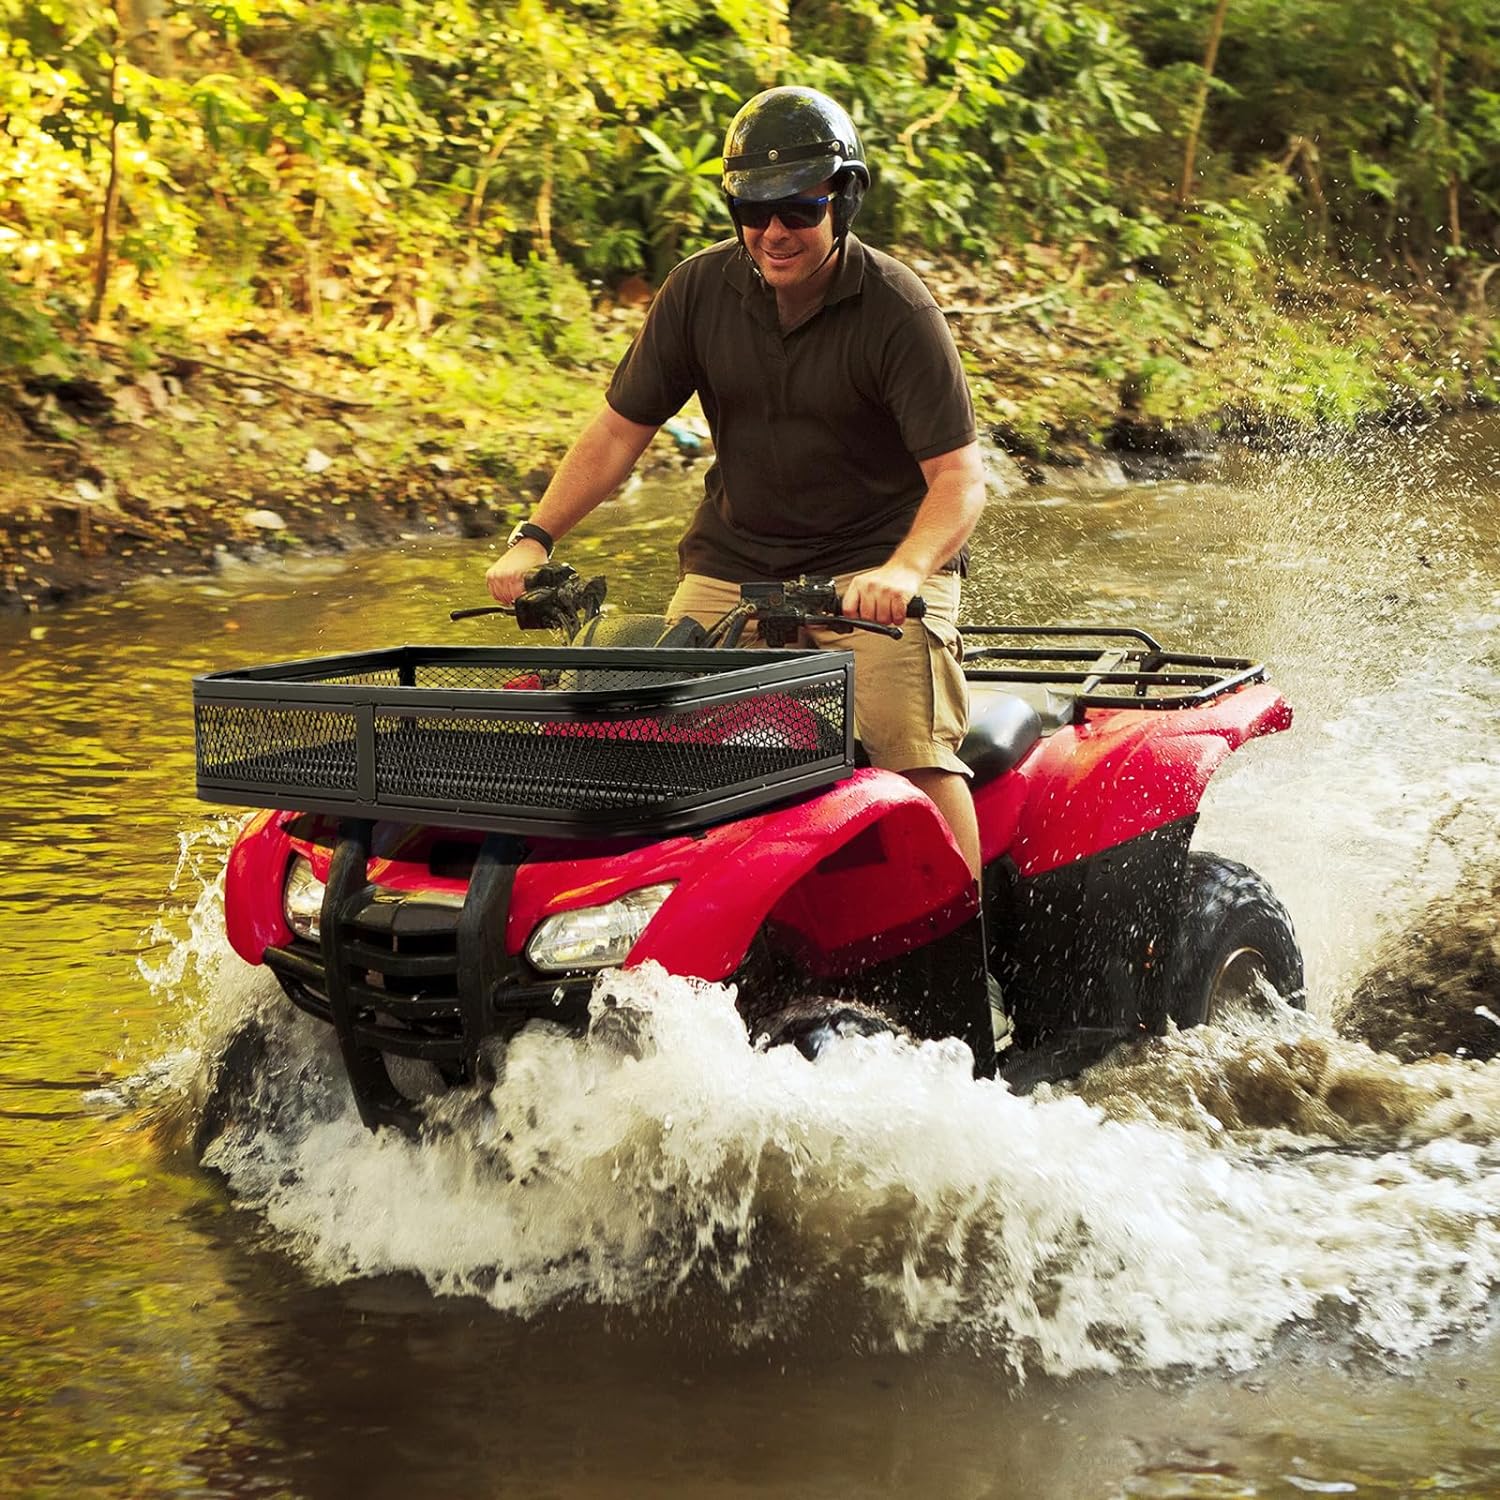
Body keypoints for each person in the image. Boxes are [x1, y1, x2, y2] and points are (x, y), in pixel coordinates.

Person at [485, 85, 987, 875]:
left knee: (906, 746)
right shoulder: (698, 291)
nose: (775, 231)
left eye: (798, 208)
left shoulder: (898, 309)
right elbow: (620, 430)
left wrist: (904, 570)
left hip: (877, 573)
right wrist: (534, 538)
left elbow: (959, 478)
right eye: (754, 211)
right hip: (734, 566)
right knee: (648, 730)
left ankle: (969, 953)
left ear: (842, 200)